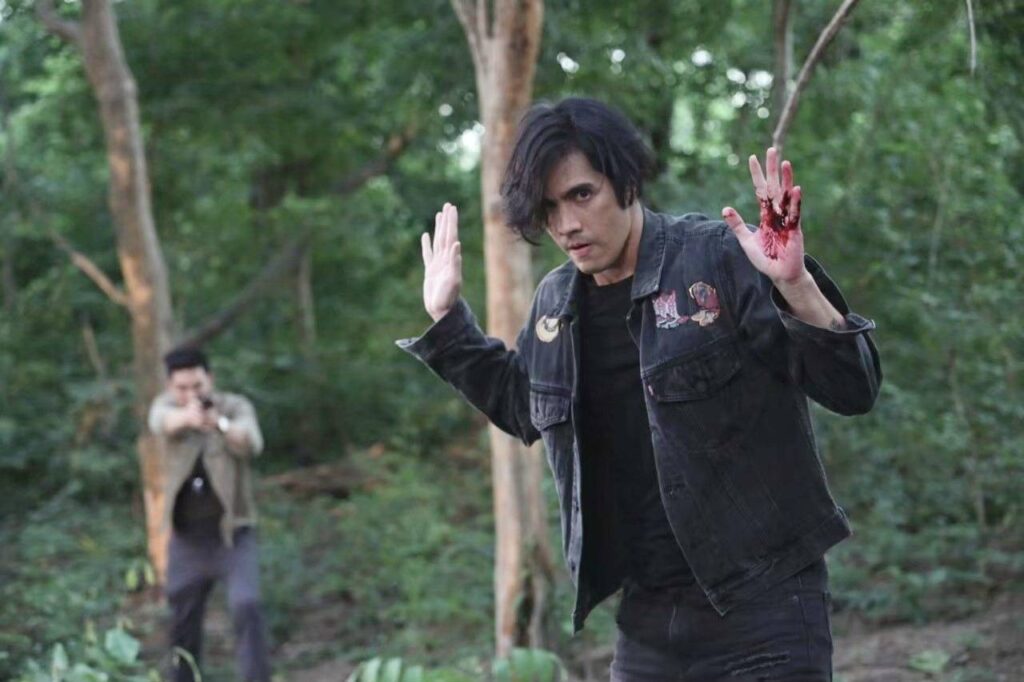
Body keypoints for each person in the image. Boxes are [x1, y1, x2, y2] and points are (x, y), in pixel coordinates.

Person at [398, 97, 881, 681]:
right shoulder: (556, 303)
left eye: (582, 194)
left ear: (625, 180)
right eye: (549, 208)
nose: (567, 224)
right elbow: (524, 406)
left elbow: (853, 388)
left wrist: (797, 285)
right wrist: (448, 322)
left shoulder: (718, 259)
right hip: (647, 625)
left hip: (764, 605)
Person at [148, 347, 271, 682]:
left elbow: (251, 442)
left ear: (210, 380)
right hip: (187, 539)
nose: (191, 394)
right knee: (181, 622)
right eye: (182, 388)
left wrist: (219, 423)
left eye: (197, 386)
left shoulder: (234, 406)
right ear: (170, 386)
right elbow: (161, 422)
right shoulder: (166, 406)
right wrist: (189, 418)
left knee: (247, 605)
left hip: (233, 535)